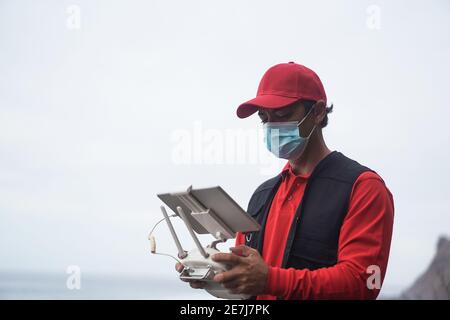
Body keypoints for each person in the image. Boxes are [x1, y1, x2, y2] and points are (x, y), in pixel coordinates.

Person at [176, 62, 394, 299]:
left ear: (318, 112)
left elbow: (363, 283)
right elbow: (250, 286)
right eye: (264, 118)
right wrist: (217, 276)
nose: (273, 126)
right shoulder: (262, 195)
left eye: (282, 114)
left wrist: (270, 280)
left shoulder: (363, 188)